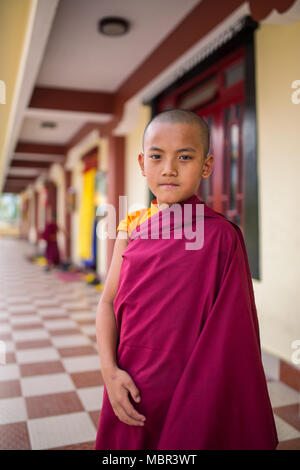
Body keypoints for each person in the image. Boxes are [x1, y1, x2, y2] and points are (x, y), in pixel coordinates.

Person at [94, 109, 279, 450]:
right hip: (131, 380)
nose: (169, 168)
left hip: (194, 384)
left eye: (184, 156)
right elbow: (107, 302)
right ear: (141, 163)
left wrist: (206, 391)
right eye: (157, 156)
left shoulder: (222, 236)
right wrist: (109, 370)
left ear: (206, 166)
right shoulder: (131, 228)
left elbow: (231, 334)